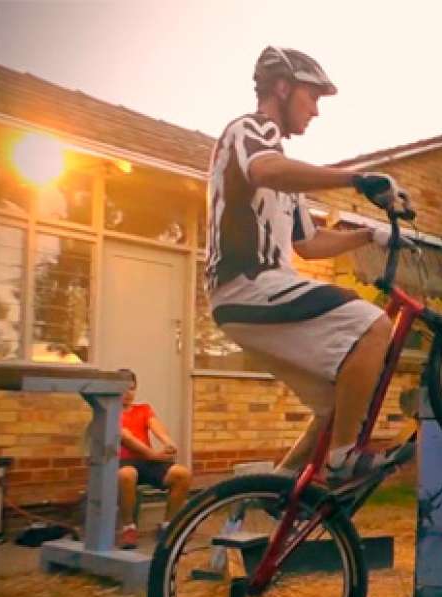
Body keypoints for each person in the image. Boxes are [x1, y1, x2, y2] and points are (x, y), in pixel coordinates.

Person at [205, 46, 409, 487]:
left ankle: (274, 494)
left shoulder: (288, 183)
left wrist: (369, 235)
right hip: (246, 287)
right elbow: (266, 170)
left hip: (262, 292)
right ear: (281, 87)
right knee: (372, 325)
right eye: (311, 97)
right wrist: (356, 178)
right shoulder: (250, 131)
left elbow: (310, 245)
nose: (316, 111)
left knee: (343, 398)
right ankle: (342, 459)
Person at [117, 369, 192, 549]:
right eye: (123, 389)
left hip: (146, 463)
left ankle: (168, 525)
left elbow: (156, 427)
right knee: (127, 474)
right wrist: (153, 455)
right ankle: (128, 528)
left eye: (132, 389)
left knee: (182, 474)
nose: (128, 394)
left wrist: (168, 443)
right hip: (122, 463)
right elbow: (125, 438)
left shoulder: (143, 409)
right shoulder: (109, 412)